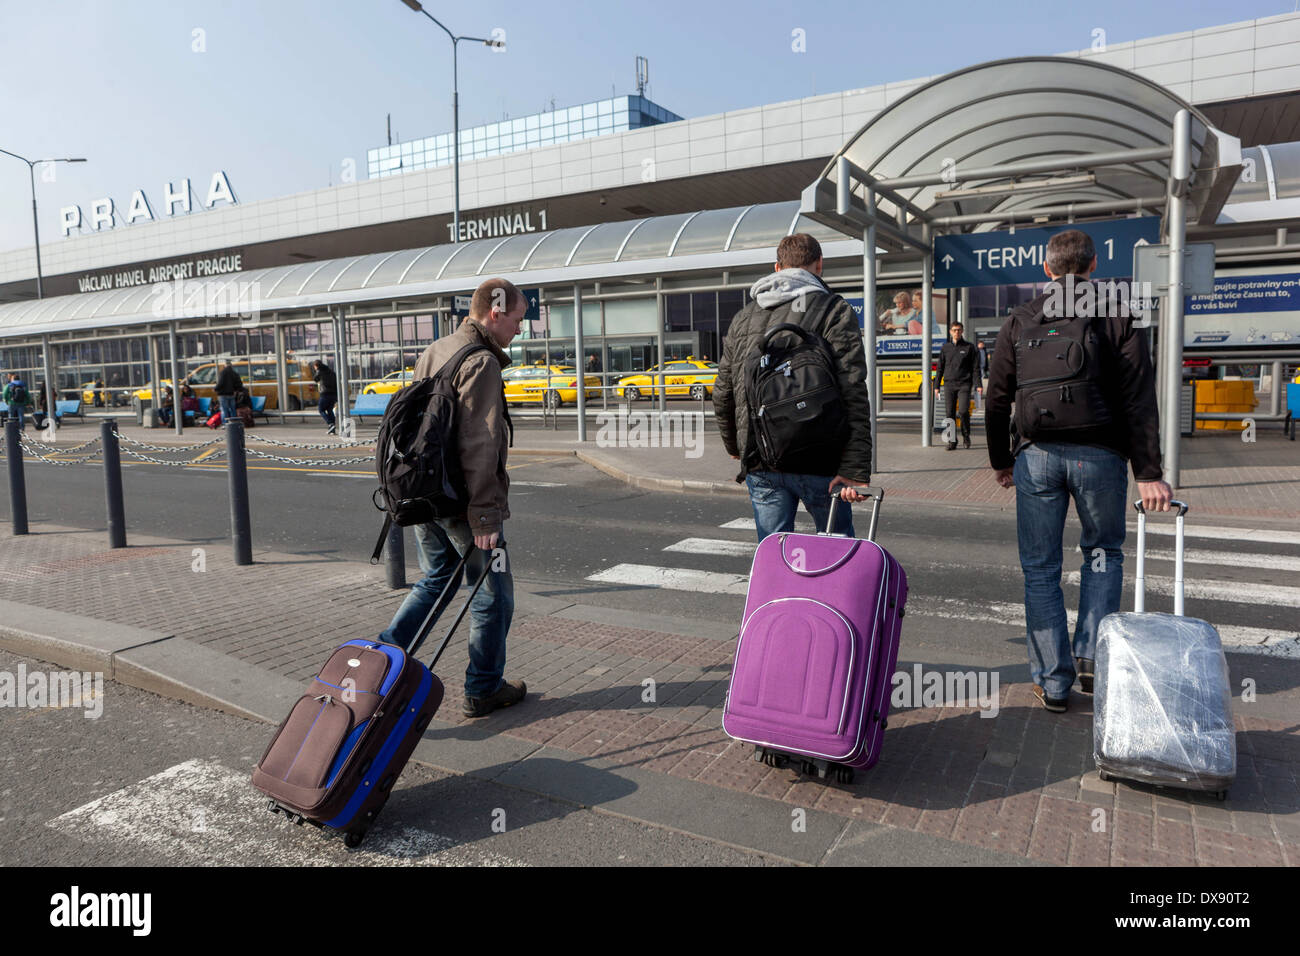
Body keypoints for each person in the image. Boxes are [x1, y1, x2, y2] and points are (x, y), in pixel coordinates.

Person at [986, 229, 1172, 713]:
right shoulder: (1116, 314)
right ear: (1093, 268)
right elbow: (1139, 399)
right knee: (1103, 554)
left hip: (1037, 457)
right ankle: (1091, 657)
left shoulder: (1022, 318)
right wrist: (1148, 471)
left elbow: (996, 398)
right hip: (1100, 457)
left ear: (1047, 270)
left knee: (1041, 568)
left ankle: (1052, 681)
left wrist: (1001, 461)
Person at [379, 277, 528, 719]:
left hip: (426, 494)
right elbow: (479, 444)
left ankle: (383, 662)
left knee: (435, 578)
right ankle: (483, 688)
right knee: (493, 593)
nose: (520, 330)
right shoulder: (481, 362)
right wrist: (485, 518)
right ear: (495, 313)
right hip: (463, 504)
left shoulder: (436, 349)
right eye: (518, 320)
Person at [713, 233, 872, 540]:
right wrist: (855, 468)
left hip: (762, 459)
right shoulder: (834, 311)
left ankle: (778, 590)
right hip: (822, 459)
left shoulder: (744, 318)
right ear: (819, 265)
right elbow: (852, 387)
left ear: (777, 267)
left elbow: (723, 391)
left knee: (773, 554)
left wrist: (736, 447)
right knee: (835, 550)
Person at [934, 321, 980, 450]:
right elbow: (939, 368)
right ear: (950, 331)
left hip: (964, 384)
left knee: (963, 411)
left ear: (962, 331)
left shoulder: (969, 347)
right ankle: (952, 441)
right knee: (949, 413)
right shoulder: (945, 348)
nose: (956, 332)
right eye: (954, 330)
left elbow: (975, 368)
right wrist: (936, 386)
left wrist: (978, 385)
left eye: (959, 330)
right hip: (949, 384)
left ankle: (966, 436)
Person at [311, 360, 338, 434]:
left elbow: (315, 379)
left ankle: (330, 423)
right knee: (329, 410)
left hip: (325, 394)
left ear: (316, 366)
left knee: (321, 409)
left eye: (314, 367)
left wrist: (317, 371)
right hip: (333, 394)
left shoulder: (320, 371)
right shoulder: (331, 372)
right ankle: (332, 429)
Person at [215, 359, 242, 424]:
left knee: (224, 410)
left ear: (225, 365)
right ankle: (234, 423)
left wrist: (216, 389)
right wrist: (236, 390)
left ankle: (225, 423)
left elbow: (220, 383)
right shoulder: (235, 373)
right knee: (233, 409)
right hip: (232, 394)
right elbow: (239, 384)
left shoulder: (223, 372)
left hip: (223, 394)